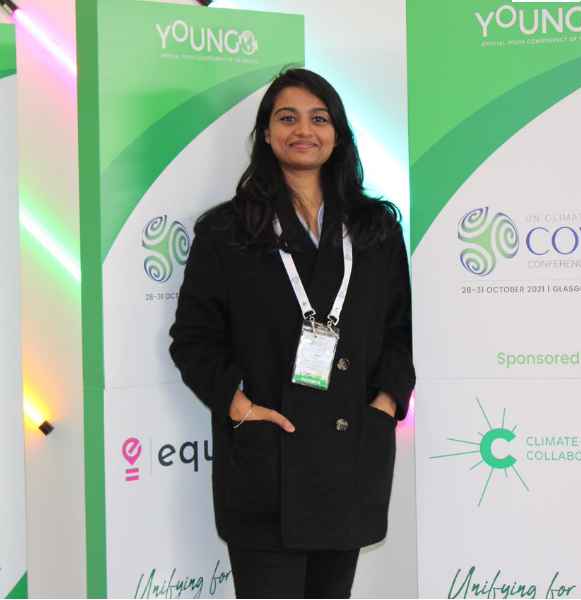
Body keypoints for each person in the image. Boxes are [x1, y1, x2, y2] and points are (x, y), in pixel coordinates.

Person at [169, 68, 415, 599]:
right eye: (287, 118)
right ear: (266, 133)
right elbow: (193, 339)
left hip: (351, 459)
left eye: (319, 118)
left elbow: (400, 331)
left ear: (338, 134)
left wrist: (385, 406)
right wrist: (238, 406)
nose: (304, 130)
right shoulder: (226, 231)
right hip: (268, 461)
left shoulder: (374, 228)